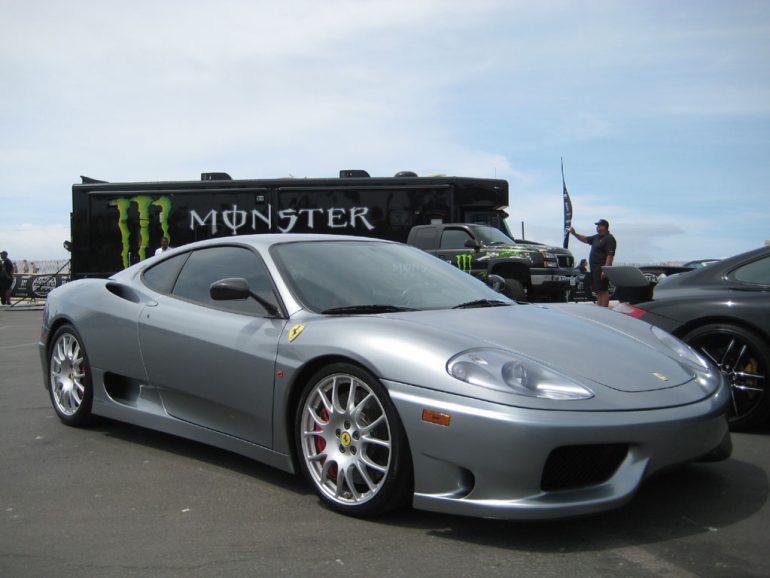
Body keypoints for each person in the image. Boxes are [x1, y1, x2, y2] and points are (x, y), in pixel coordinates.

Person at [569, 219, 616, 307]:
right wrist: (575, 234)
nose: (597, 227)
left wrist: (606, 269)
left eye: (599, 226)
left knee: (603, 289)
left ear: (604, 227)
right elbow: (585, 239)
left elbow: (610, 255)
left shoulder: (609, 238)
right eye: (597, 226)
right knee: (598, 290)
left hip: (602, 268)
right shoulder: (596, 237)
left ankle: (604, 308)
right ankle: (599, 307)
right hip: (594, 268)